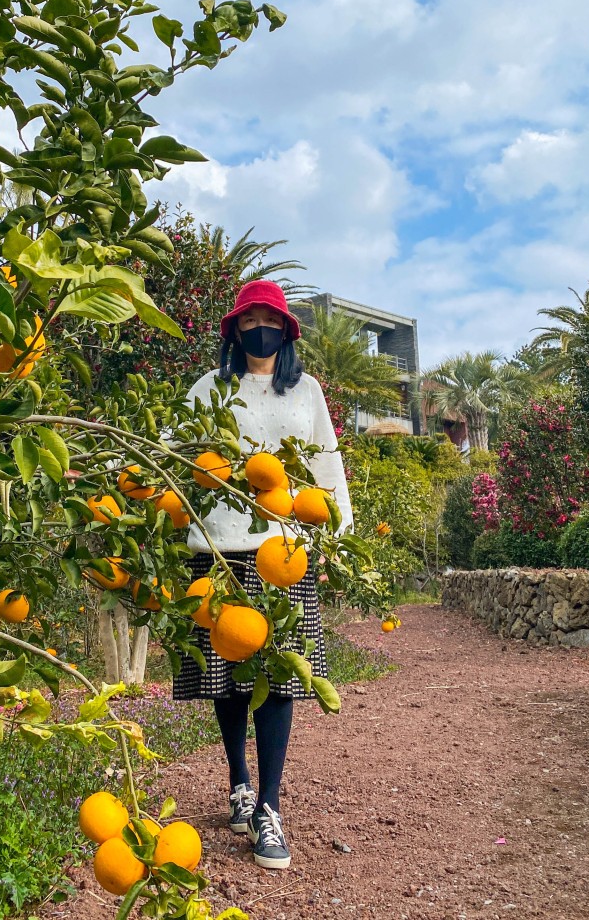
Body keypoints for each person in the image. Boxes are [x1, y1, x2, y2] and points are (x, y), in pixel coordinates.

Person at [172, 279, 353, 871]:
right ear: (234, 330)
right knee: (224, 676)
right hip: (217, 549)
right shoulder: (208, 388)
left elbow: (326, 462)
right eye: (247, 320)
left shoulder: (306, 392)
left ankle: (269, 807)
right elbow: (176, 457)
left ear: (284, 329)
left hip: (283, 552)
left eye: (266, 319)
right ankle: (239, 780)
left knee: (279, 678)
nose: (257, 329)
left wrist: (333, 533)